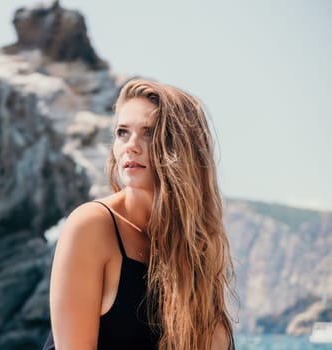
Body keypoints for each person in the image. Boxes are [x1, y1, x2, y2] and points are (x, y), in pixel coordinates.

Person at [42, 78, 235, 350]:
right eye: (122, 132)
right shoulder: (91, 226)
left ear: (183, 147)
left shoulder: (195, 249)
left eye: (149, 132)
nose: (130, 145)